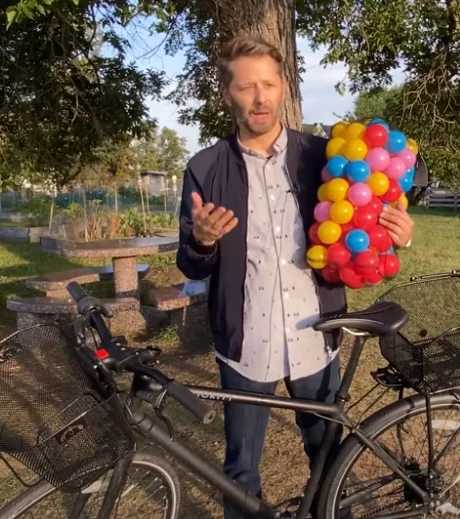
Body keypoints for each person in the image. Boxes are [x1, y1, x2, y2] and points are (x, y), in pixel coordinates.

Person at [176, 35, 415, 519]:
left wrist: (400, 237)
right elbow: (191, 265)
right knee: (240, 468)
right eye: (246, 87)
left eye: (268, 84)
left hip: (315, 335)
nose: (259, 98)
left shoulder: (323, 157)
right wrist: (202, 242)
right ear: (228, 94)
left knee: (327, 455)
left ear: (284, 86)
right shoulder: (204, 168)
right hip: (245, 345)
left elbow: (365, 231)